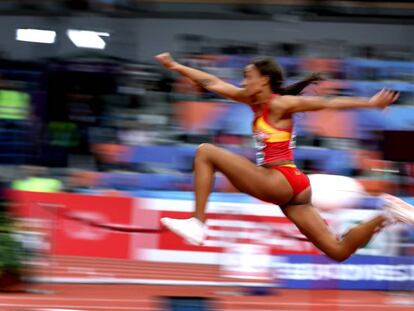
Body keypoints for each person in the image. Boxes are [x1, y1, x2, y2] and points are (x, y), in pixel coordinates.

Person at [155, 52, 413, 262]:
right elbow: (212, 83)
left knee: (205, 152)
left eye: (248, 77)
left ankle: (197, 222)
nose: (243, 83)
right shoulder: (252, 101)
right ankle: (387, 215)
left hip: (278, 179)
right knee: (339, 250)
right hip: (294, 189)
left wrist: (369, 104)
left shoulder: (281, 104)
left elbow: (327, 103)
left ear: (264, 80)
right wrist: (176, 66)